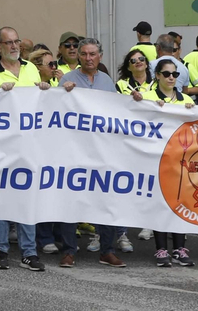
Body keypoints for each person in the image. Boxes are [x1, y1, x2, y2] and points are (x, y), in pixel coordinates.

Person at [0, 27, 47, 272]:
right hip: (0, 146)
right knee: (1, 198)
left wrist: (46, 91)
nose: (14, 46)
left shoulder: (30, 68)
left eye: (17, 41)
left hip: (29, 145)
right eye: (8, 42)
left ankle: (29, 252)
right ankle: (1, 249)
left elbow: (43, 103)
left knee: (27, 198)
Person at [58, 38, 128, 267]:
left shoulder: (107, 81)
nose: (89, 58)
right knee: (71, 201)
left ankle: (107, 250)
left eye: (93, 54)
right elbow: (54, 112)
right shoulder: (68, 80)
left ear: (100, 56)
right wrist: (64, 94)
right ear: (78, 56)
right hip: (73, 151)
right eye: (85, 54)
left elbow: (117, 112)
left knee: (105, 200)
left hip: (102, 151)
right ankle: (69, 250)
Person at [131, 57, 196, 266]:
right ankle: (161, 249)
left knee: (181, 203)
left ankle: (179, 248)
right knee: (160, 204)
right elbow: (133, 115)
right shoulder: (149, 96)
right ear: (157, 75)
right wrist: (144, 104)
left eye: (175, 74)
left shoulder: (186, 99)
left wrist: (190, 111)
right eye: (166, 74)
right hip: (156, 160)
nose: (171, 78)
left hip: (181, 160)